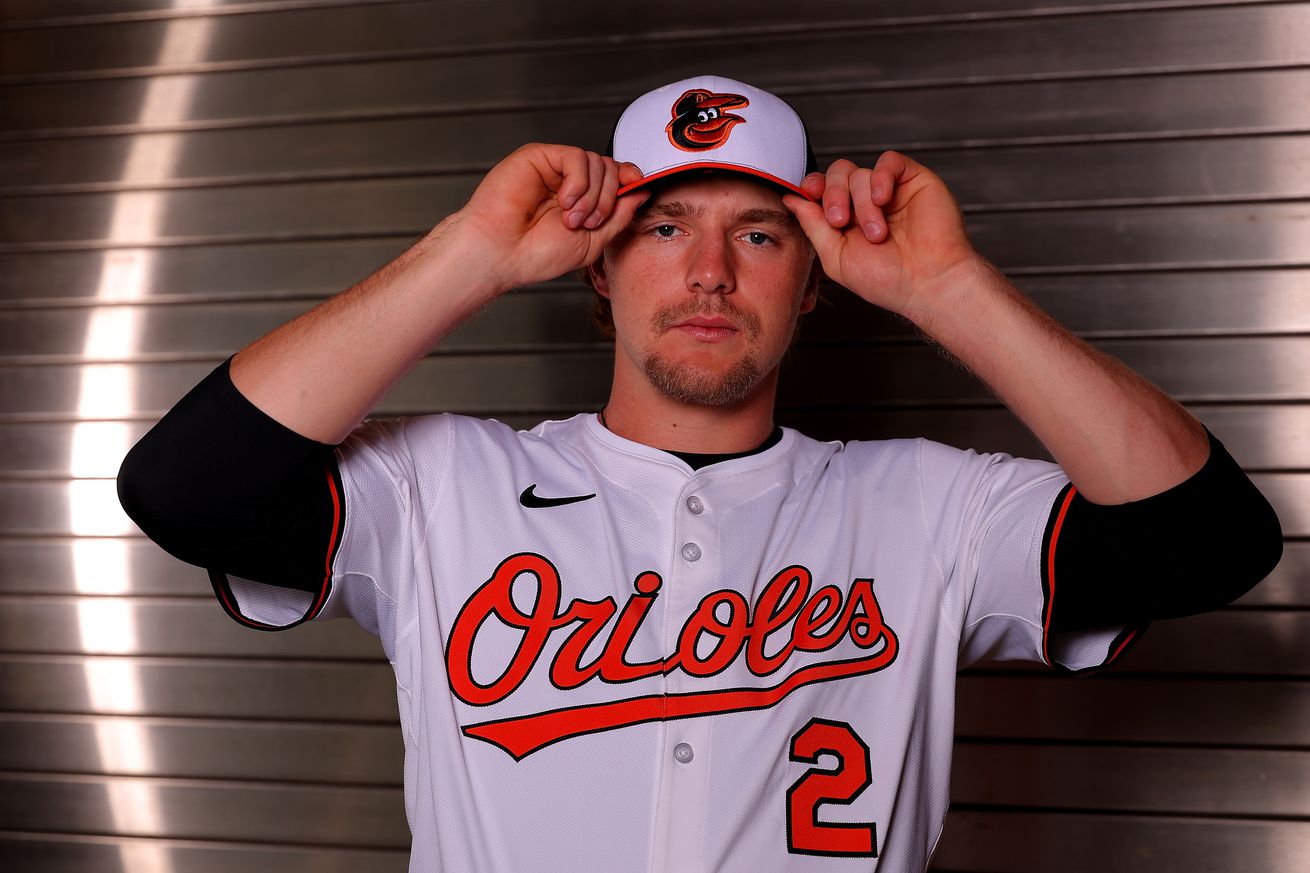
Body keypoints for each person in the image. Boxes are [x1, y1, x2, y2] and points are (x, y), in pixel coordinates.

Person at [118, 76, 1282, 872]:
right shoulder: (440, 485)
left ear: (815, 279)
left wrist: (947, 291)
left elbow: (1209, 540)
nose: (711, 273)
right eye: (665, 227)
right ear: (598, 269)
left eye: (760, 235)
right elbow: (187, 490)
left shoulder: (936, 508)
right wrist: (468, 255)